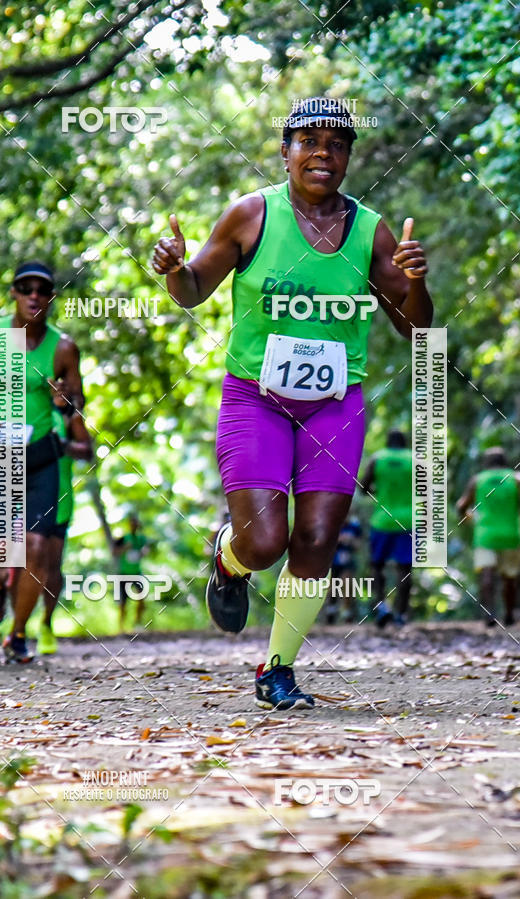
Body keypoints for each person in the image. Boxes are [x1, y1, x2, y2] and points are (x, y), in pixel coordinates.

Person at [152, 96, 432, 710]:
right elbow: (193, 289)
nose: (322, 153)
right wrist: (173, 268)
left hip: (335, 403)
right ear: (285, 153)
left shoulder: (371, 231)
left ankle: (277, 669)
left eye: (337, 144)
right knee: (263, 542)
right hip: (256, 399)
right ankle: (229, 560)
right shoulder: (251, 215)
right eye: (309, 141)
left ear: (349, 157)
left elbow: (416, 328)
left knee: (317, 538)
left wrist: (414, 282)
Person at [0, 261, 85, 663]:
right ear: (13, 293)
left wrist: (65, 401)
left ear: (51, 298)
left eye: (41, 290)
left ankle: (18, 633)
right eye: (25, 289)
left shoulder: (62, 347)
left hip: (41, 455)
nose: (33, 296)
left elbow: (76, 402)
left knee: (35, 546)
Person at [37, 399, 93, 654]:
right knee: (21, 561)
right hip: (21, 497)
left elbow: (87, 451)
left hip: (58, 500)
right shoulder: (16, 406)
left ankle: (46, 623)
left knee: (51, 566)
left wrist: (62, 445)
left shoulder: (69, 416)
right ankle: (17, 627)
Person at [456, 447, 520, 627]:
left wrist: (468, 518)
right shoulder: (515, 479)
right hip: (511, 535)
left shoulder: (478, 480)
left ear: (486, 463)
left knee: (487, 574)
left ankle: (490, 613)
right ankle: (509, 614)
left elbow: (461, 506)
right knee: (510, 578)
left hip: (485, 535)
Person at [360, 429, 414, 627]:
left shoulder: (377, 459)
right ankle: (401, 613)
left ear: (387, 442)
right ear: (404, 442)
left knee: (377, 565)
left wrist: (378, 490)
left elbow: (363, 488)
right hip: (408, 521)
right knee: (405, 568)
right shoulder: (414, 459)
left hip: (382, 520)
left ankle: (382, 606)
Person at [113, 515, 149, 632]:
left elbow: (147, 548)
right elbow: (114, 552)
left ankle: (138, 623)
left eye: (136, 523)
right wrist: (125, 548)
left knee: (142, 598)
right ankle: (121, 627)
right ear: (129, 524)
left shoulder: (141, 539)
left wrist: (144, 552)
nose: (134, 525)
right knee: (123, 602)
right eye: (132, 523)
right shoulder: (124, 538)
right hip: (124, 574)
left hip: (137, 573)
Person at [324, 516, 362, 624]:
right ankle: (331, 610)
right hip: (331, 561)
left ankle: (347, 612)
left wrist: (350, 541)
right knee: (332, 587)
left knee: (347, 583)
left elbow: (358, 546)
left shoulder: (354, 527)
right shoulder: (330, 524)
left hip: (347, 561)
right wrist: (337, 539)